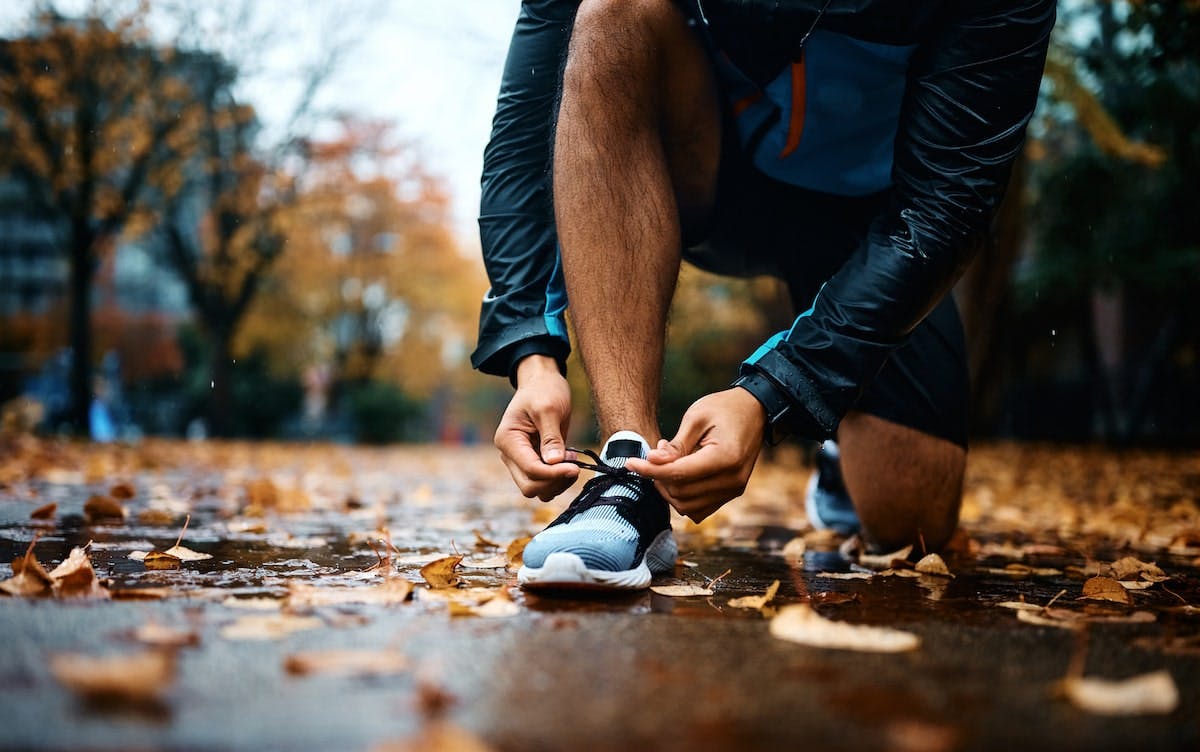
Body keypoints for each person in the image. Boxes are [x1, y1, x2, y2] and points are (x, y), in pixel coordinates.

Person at [471, 0, 1055, 590]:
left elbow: (947, 205)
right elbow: (523, 139)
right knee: (612, 15)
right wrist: (533, 355)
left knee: (912, 526)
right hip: (713, 166)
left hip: (876, 215)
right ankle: (627, 475)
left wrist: (775, 395)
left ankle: (834, 453)